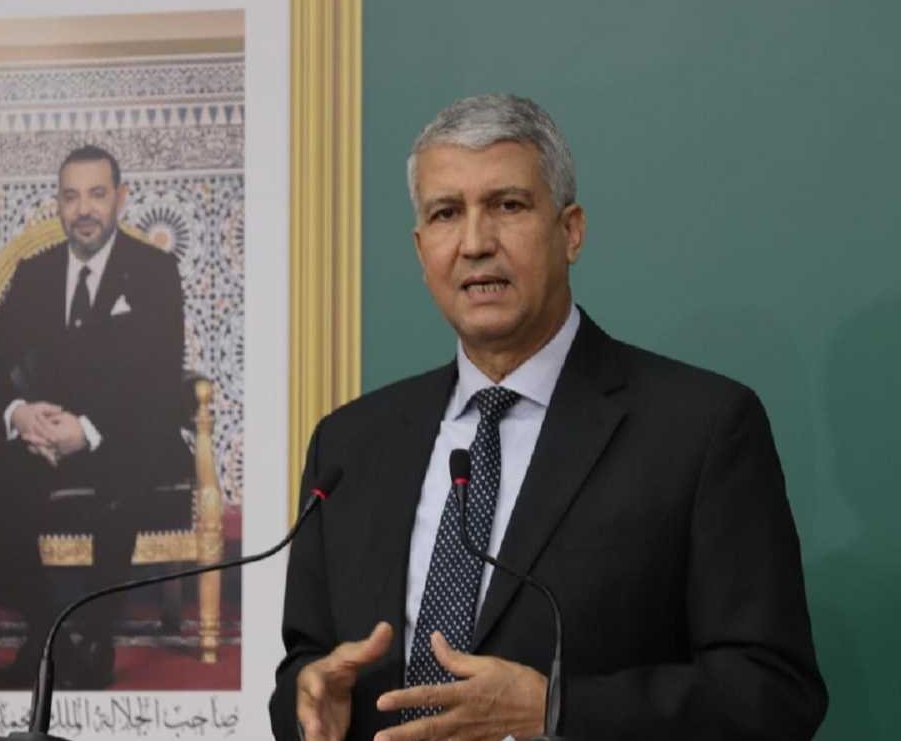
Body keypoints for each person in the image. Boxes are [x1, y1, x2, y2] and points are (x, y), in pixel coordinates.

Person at [270, 95, 827, 740]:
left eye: (508, 206)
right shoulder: (349, 445)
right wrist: (306, 702)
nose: (476, 244)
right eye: (446, 214)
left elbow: (772, 695)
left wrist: (558, 710)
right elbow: (303, 667)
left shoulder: (700, 429)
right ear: (422, 251)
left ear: (571, 231)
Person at [0, 145, 188, 689]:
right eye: (71, 196)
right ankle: (46, 637)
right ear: (58, 204)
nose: (84, 208)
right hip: (47, 438)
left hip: (128, 435)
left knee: (125, 474)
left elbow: (162, 379)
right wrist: (20, 414)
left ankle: (95, 639)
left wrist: (87, 432)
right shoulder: (35, 275)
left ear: (120, 198)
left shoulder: (155, 271)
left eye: (96, 194)